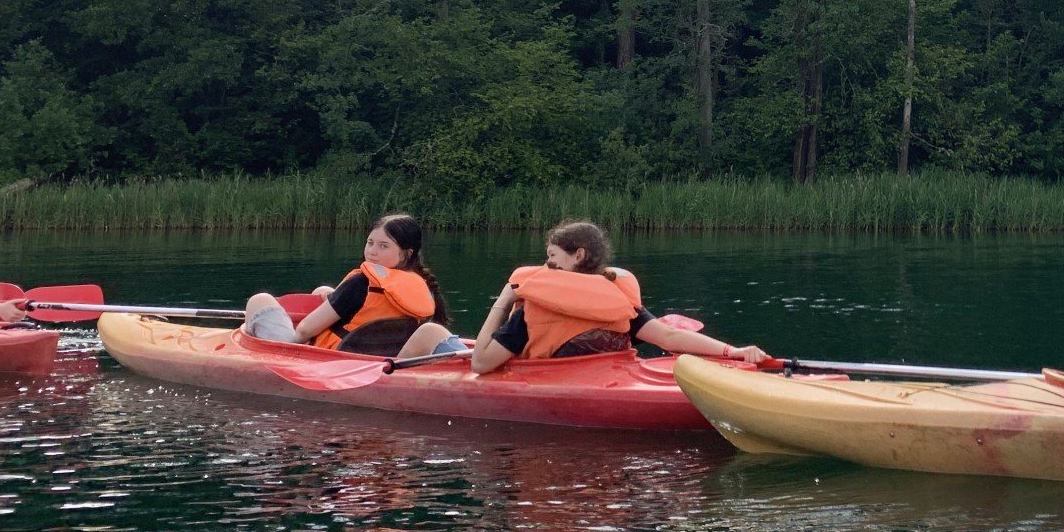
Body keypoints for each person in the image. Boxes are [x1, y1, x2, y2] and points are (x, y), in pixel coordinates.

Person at [467, 219, 766, 375]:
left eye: (552, 256)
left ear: (578, 256)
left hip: (573, 385)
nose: (546, 265)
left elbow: (480, 363)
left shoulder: (534, 307)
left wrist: (504, 300)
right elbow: (668, 337)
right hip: (612, 379)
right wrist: (732, 351)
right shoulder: (616, 300)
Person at [242, 213, 454, 358]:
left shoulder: (360, 283)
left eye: (383, 246)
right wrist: (334, 296)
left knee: (260, 300)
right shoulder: (425, 288)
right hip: (383, 357)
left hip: (332, 358)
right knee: (321, 292)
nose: (372, 251)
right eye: (370, 243)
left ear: (405, 254)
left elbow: (305, 330)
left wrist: (291, 347)